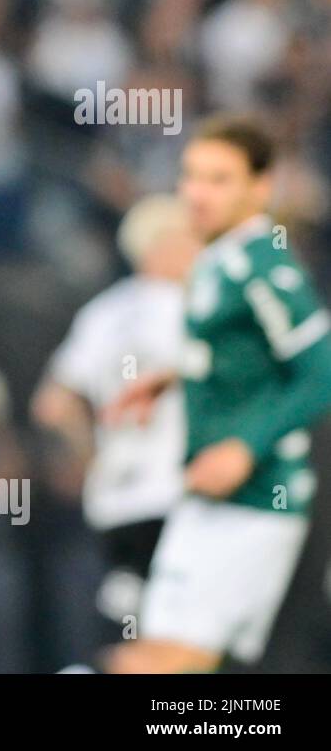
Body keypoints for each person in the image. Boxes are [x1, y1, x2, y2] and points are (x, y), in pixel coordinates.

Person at [104, 115, 331, 673]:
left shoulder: (266, 268)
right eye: (191, 176)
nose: (198, 194)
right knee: (153, 650)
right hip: (205, 493)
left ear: (260, 187)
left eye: (219, 179)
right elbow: (243, 356)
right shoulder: (216, 262)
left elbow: (320, 371)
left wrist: (243, 448)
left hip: (256, 497)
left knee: (174, 663)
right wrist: (172, 376)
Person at [32, 194, 199, 649]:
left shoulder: (103, 312)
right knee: (186, 634)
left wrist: (92, 456)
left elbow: (51, 403)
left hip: (115, 498)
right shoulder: (194, 305)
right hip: (181, 490)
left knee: (129, 623)